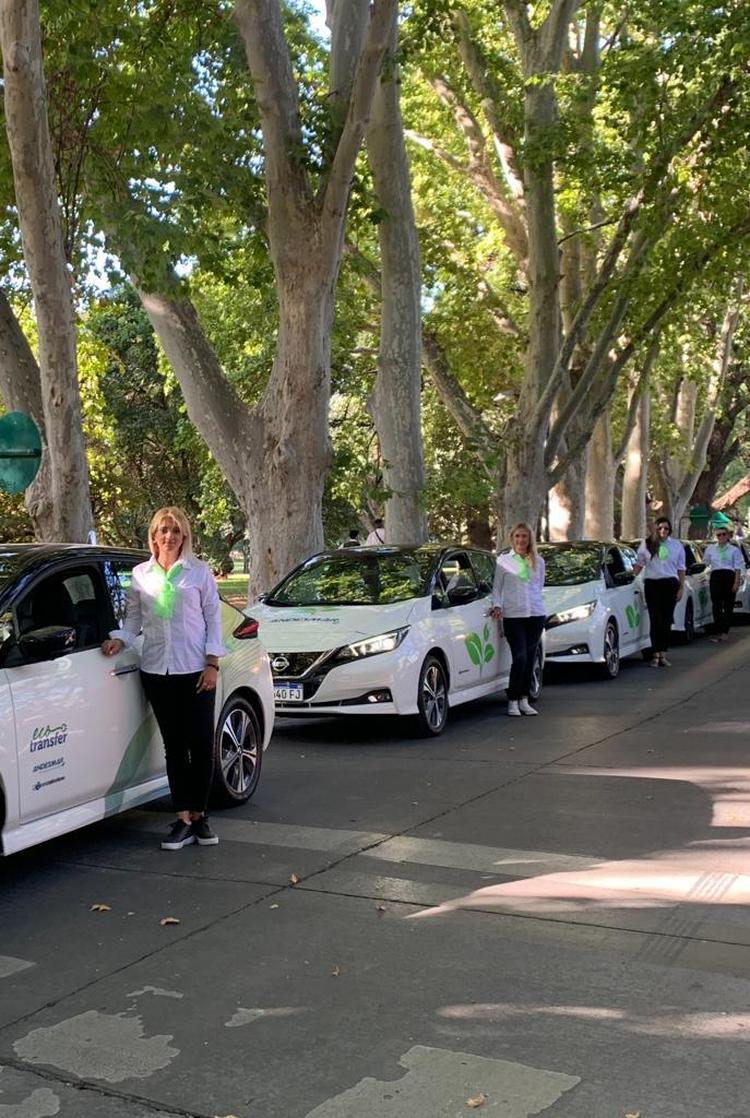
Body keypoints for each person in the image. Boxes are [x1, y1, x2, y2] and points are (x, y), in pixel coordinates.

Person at [101, 506, 225, 851]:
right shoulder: (141, 575)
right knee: (174, 747)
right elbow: (132, 621)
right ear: (153, 536)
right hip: (157, 671)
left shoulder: (199, 573)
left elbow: (213, 620)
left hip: (195, 671)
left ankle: (200, 816)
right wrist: (119, 640)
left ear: (184, 535)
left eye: (175, 530)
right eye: (162, 530)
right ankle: (182, 818)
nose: (169, 536)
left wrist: (212, 663)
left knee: (200, 746)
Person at [489, 522, 545, 717]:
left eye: (524, 536)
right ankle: (512, 700)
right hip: (514, 615)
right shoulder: (504, 561)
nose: (521, 540)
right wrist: (497, 605)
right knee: (519, 658)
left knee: (530, 659)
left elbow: (539, 586)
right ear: (512, 539)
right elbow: (497, 588)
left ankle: (524, 699)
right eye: (517, 537)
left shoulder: (538, 561)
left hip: (535, 615)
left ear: (529, 539)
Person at [633, 517, 686, 668]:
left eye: (666, 528)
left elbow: (681, 569)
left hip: (670, 584)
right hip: (652, 584)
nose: (663, 531)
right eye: (660, 528)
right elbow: (639, 564)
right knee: (655, 619)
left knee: (666, 620)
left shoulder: (676, 546)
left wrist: (681, 587)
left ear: (670, 530)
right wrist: (630, 576)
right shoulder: (647, 544)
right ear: (655, 529)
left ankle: (663, 653)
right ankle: (655, 654)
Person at [703, 527, 743, 642]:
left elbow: (738, 568)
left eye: (723, 534)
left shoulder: (734, 550)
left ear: (728, 536)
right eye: (718, 535)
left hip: (729, 576)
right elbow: (705, 563)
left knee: (728, 605)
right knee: (716, 605)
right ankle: (718, 631)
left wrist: (736, 582)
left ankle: (725, 631)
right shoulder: (711, 549)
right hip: (716, 576)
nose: (721, 537)